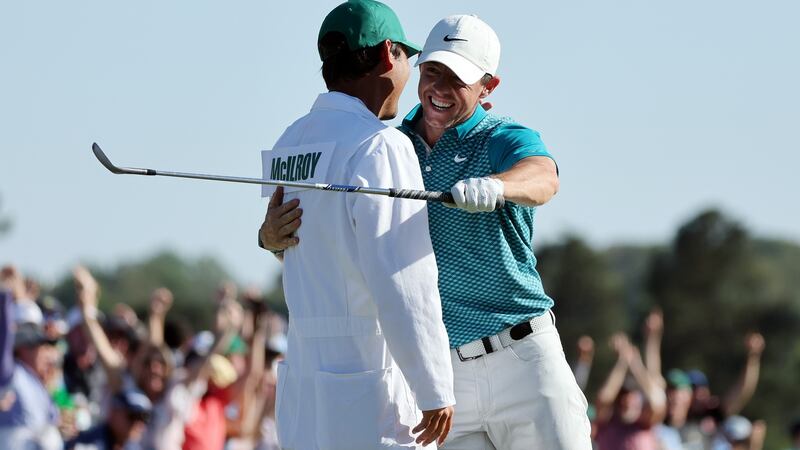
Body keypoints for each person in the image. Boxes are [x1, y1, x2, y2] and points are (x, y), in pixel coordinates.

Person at [260, 12, 591, 449]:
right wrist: (268, 237)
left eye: (457, 78)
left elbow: (543, 177)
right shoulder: (388, 144)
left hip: (524, 358)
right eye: (432, 70)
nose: (439, 87)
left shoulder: (502, 136)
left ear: (488, 87)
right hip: (444, 371)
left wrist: (497, 186)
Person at [258, 1, 455, 448]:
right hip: (368, 383)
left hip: (304, 383)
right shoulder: (382, 145)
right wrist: (434, 386)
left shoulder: (291, 138)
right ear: (389, 53)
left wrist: (262, 238)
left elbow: (284, 238)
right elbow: (403, 277)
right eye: (409, 56)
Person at [0, 271, 63, 450]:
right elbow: (3, 345)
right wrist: (5, 295)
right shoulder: (9, 375)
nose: (46, 353)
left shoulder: (39, 382)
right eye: (38, 347)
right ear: (22, 348)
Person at [65, 389, 152, 450]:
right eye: (133, 416)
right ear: (114, 413)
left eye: (144, 418)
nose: (139, 424)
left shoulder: (132, 446)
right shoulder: (88, 443)